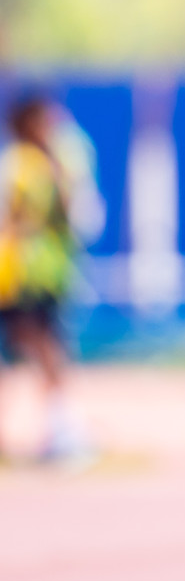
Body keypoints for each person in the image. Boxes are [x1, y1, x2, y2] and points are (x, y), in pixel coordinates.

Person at [0, 91, 95, 466]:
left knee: (45, 348)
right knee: (38, 348)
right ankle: (61, 429)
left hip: (45, 275)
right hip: (17, 275)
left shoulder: (55, 164)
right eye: (43, 120)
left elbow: (75, 218)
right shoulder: (17, 164)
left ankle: (61, 428)